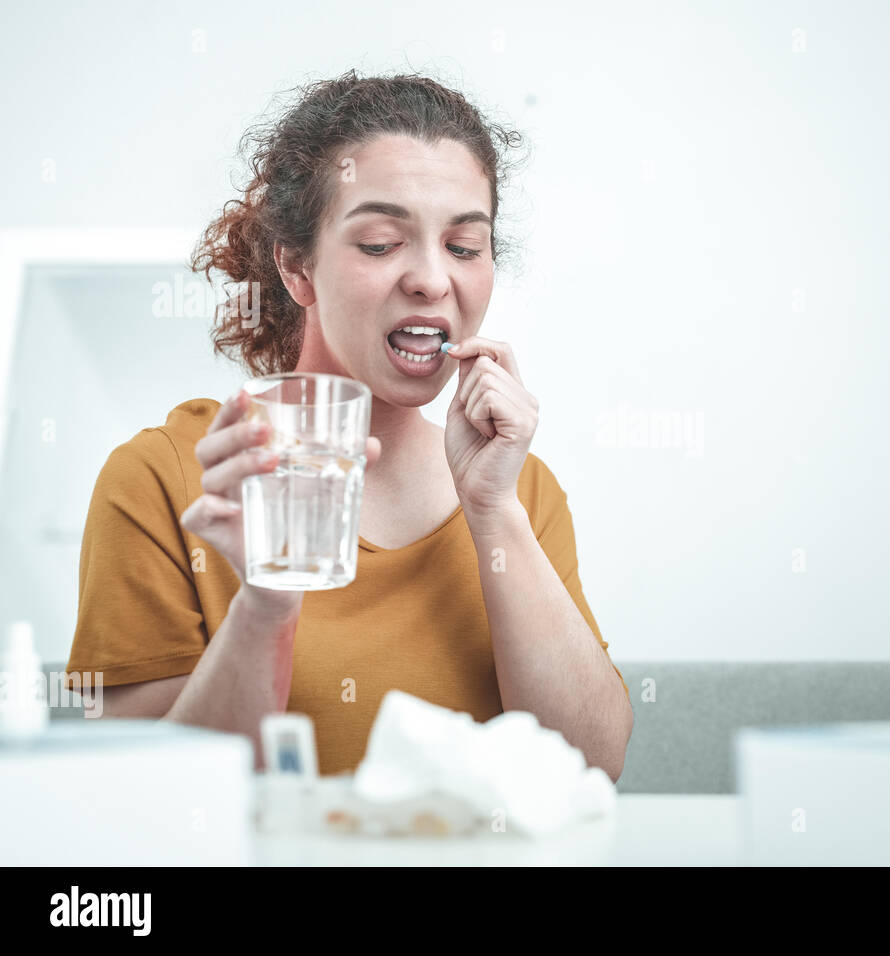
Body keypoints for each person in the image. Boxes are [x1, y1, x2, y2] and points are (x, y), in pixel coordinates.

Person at [64, 70, 632, 781]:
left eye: (463, 247)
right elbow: (138, 798)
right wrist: (266, 605)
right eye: (380, 243)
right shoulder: (167, 479)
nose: (431, 279)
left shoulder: (516, 489)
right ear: (297, 268)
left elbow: (594, 769)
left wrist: (493, 514)